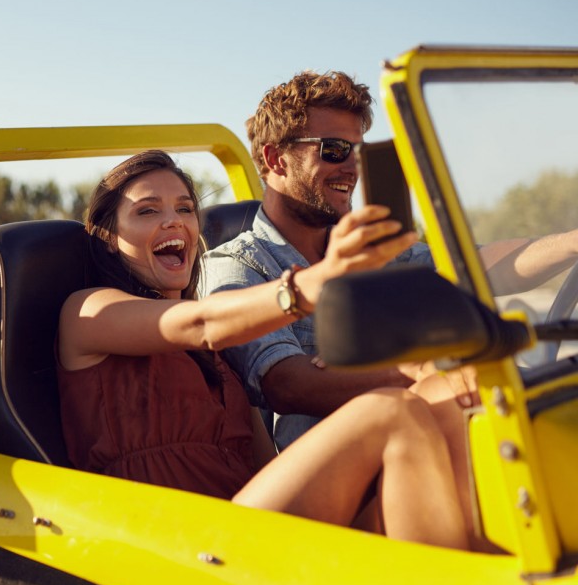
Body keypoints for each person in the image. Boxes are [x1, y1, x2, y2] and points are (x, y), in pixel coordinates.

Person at [56, 149, 470, 550]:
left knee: (444, 396)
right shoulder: (88, 312)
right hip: (173, 542)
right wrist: (320, 279)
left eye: (184, 209)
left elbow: (264, 465)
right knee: (390, 411)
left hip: (248, 528)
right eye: (148, 210)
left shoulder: (216, 358)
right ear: (109, 238)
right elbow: (202, 324)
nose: (173, 222)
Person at [201, 70, 578, 451]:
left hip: (424, 440)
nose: (351, 167)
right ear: (276, 159)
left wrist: (571, 243)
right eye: (334, 149)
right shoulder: (237, 265)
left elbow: (474, 267)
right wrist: (423, 369)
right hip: (330, 484)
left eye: (358, 152)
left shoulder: (369, 246)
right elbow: (289, 385)